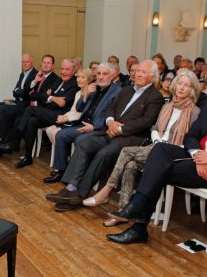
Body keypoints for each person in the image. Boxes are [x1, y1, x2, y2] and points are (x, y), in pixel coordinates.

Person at [83, 71, 200, 226]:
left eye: (187, 85)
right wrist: (157, 140)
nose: (182, 87)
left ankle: (107, 190)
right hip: (156, 146)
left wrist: (164, 146)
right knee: (130, 165)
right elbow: (155, 127)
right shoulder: (167, 106)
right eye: (180, 83)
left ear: (192, 90)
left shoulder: (195, 112)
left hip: (173, 152)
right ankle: (123, 211)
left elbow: (191, 139)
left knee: (126, 151)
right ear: (174, 85)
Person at [45, 60, 164, 212]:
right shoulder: (126, 90)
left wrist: (119, 129)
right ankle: (71, 187)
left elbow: (146, 122)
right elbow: (111, 109)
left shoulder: (155, 96)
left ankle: (79, 194)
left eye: (143, 72)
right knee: (84, 144)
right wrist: (110, 122)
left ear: (152, 76)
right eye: (138, 71)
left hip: (131, 137)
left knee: (103, 153)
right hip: (110, 130)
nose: (138, 74)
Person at [106, 105, 207, 244]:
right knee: (160, 150)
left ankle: (138, 221)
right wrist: (197, 155)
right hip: (198, 156)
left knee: (159, 170)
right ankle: (138, 209)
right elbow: (191, 135)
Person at [0, 58, 79, 167]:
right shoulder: (59, 80)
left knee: (30, 110)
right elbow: (33, 95)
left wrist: (48, 98)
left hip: (62, 115)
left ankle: (14, 143)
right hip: (49, 111)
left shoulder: (74, 84)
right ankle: (28, 157)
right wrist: (52, 98)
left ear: (73, 70)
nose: (64, 72)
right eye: (62, 69)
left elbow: (61, 103)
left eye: (67, 69)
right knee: (32, 121)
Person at [44, 63, 121, 183]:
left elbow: (113, 115)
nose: (101, 77)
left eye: (105, 74)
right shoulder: (94, 88)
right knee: (61, 135)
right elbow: (79, 108)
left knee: (81, 140)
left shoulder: (117, 92)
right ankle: (61, 170)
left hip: (99, 128)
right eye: (99, 74)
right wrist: (85, 94)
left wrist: (94, 127)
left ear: (112, 76)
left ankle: (76, 176)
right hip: (83, 123)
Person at [0, 54, 59, 159]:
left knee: (13, 114)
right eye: (44, 62)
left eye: (48, 63)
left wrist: (36, 96)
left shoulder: (55, 79)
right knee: (17, 119)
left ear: (53, 65)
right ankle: (5, 145)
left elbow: (46, 99)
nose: (46, 65)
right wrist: (34, 84)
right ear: (41, 64)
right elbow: (28, 92)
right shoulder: (39, 76)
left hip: (41, 110)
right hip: (31, 108)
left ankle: (5, 145)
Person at [0, 53, 37, 146]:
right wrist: (20, 92)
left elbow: (27, 93)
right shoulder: (22, 74)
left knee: (2, 109)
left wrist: (20, 92)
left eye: (27, 62)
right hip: (17, 102)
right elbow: (15, 91)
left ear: (32, 62)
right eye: (23, 62)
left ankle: (4, 139)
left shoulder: (35, 75)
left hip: (25, 105)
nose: (25, 64)